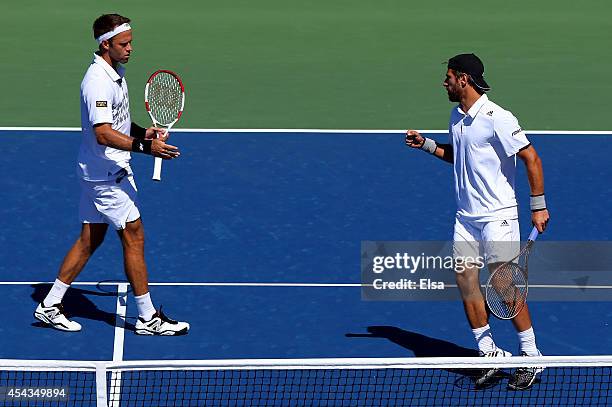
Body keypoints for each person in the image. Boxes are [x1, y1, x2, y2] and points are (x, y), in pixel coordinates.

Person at [34, 14, 189, 336]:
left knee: (91, 236)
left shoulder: (115, 73)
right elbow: (103, 133)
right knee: (133, 235)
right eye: (124, 43)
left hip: (100, 168)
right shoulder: (98, 82)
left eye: (131, 42)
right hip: (105, 173)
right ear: (106, 45)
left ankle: (50, 305)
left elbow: (117, 121)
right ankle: (147, 318)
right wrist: (147, 149)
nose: (131, 48)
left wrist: (145, 133)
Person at [405, 53, 550, 390]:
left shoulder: (497, 117)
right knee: (465, 280)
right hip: (466, 217)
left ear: (464, 80)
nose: (445, 83)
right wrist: (426, 145)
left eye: (449, 77)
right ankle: (488, 354)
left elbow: (531, 157)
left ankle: (531, 356)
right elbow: (460, 156)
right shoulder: (456, 117)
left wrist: (538, 206)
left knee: (503, 286)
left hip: (498, 216)